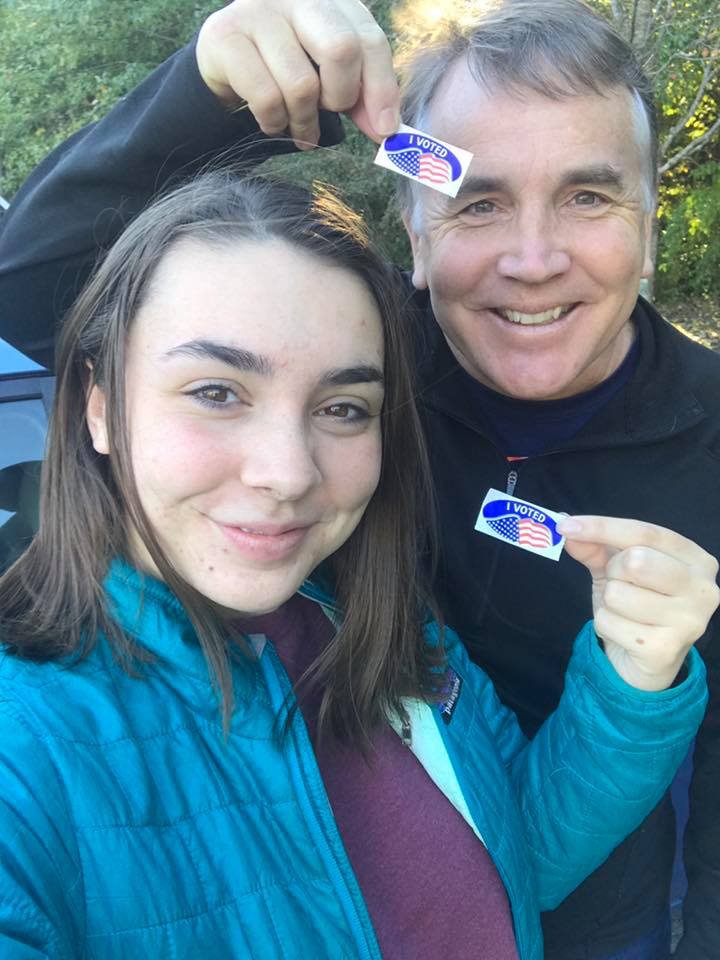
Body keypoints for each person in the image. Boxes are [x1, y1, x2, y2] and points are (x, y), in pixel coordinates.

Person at [0, 1, 719, 957]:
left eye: (589, 198)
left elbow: (531, 821)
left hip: (597, 900)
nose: (533, 260)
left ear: (650, 225)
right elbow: (39, 296)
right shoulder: (361, 355)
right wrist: (208, 94)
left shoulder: (408, 633)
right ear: (415, 235)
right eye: (478, 202)